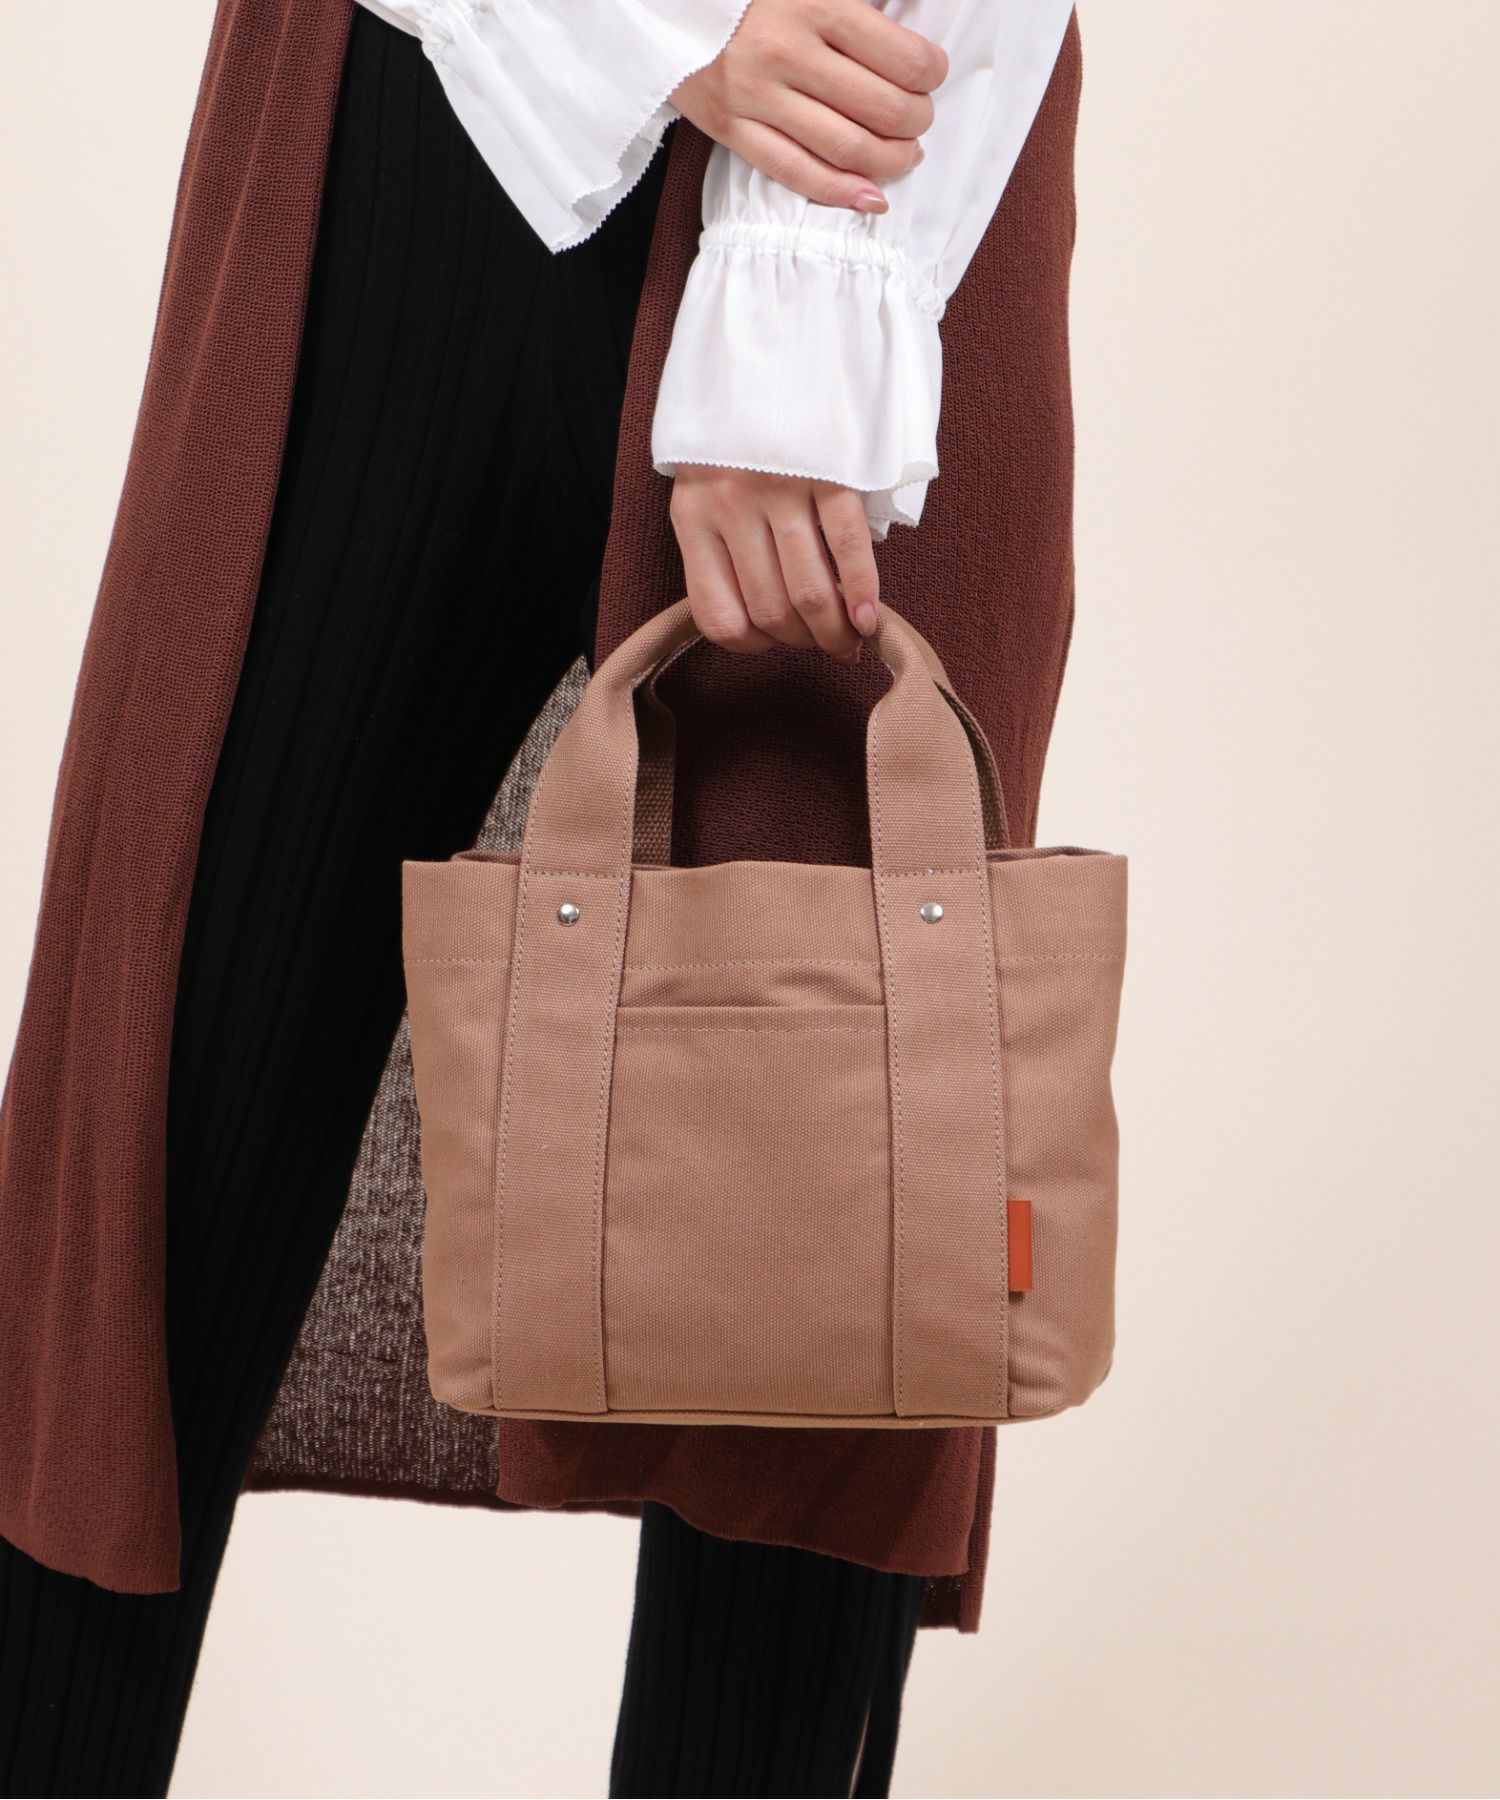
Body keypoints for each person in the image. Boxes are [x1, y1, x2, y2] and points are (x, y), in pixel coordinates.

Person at [0, 2, 1079, 1793]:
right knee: (141, 1205)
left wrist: (804, 320)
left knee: (825, 1277)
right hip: (400, 101)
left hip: (899, 185)